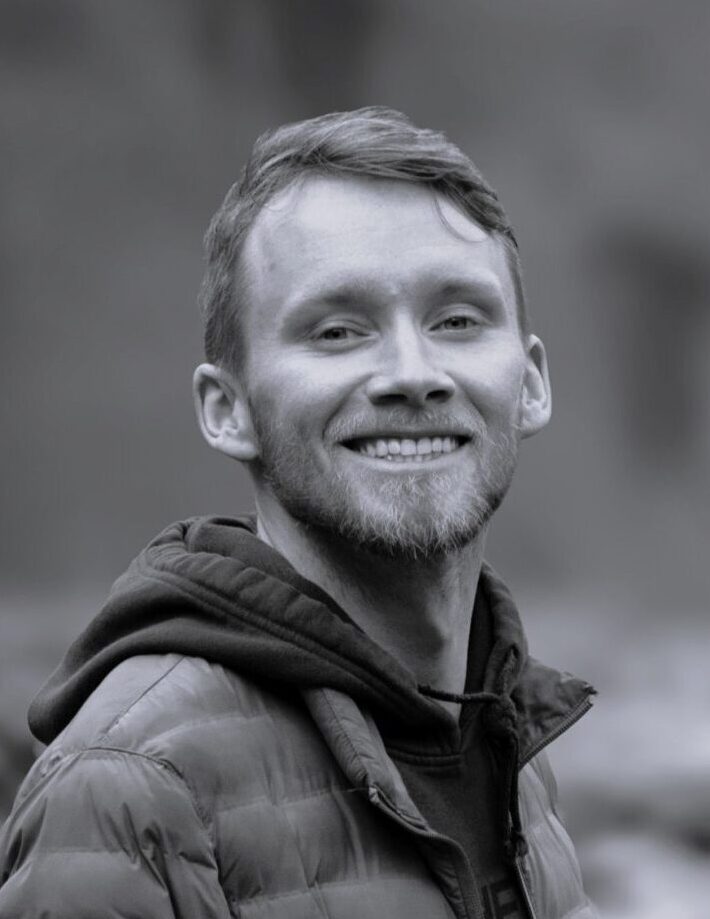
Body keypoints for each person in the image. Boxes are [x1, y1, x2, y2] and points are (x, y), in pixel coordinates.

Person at [0, 107, 598, 919]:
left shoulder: (509, 751)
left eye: (457, 320)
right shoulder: (129, 794)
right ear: (227, 409)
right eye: (338, 330)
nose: (412, 374)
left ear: (529, 382)